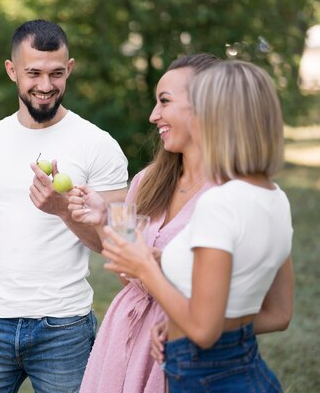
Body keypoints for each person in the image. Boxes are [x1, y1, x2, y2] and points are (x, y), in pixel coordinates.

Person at [0, 19, 128, 393]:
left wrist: (62, 210)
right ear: (12, 70)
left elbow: (121, 243)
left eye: (56, 73)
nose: (45, 86)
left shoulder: (99, 145)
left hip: (65, 329)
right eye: (33, 73)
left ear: (70, 69)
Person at [105, 60, 294, 392]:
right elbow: (278, 314)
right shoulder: (275, 197)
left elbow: (204, 330)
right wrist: (179, 322)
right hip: (246, 370)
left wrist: (146, 266)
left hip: (205, 379)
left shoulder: (219, 203)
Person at [68, 53, 219, 392]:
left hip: (180, 340)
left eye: (164, 102)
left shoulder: (230, 193)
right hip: (123, 337)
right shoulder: (147, 180)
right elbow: (128, 277)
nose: (153, 116)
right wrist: (104, 219)